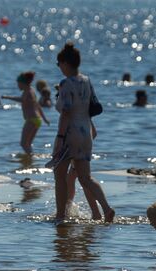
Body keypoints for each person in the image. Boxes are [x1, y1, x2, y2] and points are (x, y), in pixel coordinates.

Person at [52, 42, 115, 223]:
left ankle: (60, 215)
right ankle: (106, 208)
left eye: (59, 64)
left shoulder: (65, 83)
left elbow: (66, 112)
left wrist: (60, 137)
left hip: (70, 134)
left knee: (60, 175)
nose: (59, 68)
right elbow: (89, 107)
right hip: (86, 133)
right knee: (85, 177)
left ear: (65, 63)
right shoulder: (86, 81)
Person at [2, 72, 50, 154]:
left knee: (23, 143)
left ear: (23, 83)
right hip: (37, 120)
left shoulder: (27, 91)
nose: (18, 86)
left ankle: (30, 158)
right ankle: (30, 160)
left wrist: (8, 97)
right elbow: (38, 106)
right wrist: (44, 119)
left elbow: (22, 100)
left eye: (18, 84)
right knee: (28, 144)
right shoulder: (32, 91)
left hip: (31, 120)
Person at [66, 121, 101, 220]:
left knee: (84, 181)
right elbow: (94, 133)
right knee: (72, 178)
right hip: (82, 148)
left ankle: (97, 213)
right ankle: (67, 209)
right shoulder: (84, 112)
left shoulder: (76, 111)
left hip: (77, 148)